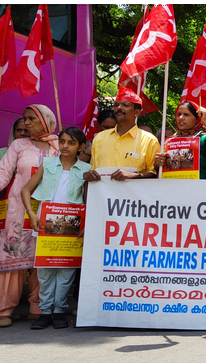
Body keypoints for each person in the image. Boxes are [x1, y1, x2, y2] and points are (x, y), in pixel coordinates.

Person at [20, 127, 89, 329]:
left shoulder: (86, 169)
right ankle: (45, 311)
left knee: (67, 269)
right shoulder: (48, 163)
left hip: (72, 224)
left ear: (81, 147)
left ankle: (60, 310)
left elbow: (88, 199)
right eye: (62, 141)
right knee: (45, 268)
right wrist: (31, 213)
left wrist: (87, 223)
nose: (65, 146)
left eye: (71, 142)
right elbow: (26, 190)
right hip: (45, 221)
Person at [0, 104, 62, 328]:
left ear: (46, 120)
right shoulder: (18, 145)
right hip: (18, 211)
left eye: (30, 119)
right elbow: (3, 173)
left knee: (42, 261)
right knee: (13, 262)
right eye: (24, 119)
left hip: (49, 211)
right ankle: (4, 309)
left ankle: (39, 307)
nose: (26, 123)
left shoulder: (59, 145)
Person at [83, 88, 161, 182]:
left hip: (132, 196)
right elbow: (93, 170)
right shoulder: (100, 137)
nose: (119, 108)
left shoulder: (149, 140)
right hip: (102, 195)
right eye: (116, 105)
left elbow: (153, 174)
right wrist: (89, 175)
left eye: (125, 105)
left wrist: (133, 176)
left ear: (136, 112)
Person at [154, 101, 206, 179]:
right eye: (179, 114)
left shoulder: (204, 139)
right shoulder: (169, 141)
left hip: (198, 189)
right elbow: (159, 171)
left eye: (186, 115)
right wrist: (157, 163)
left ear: (197, 118)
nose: (181, 118)